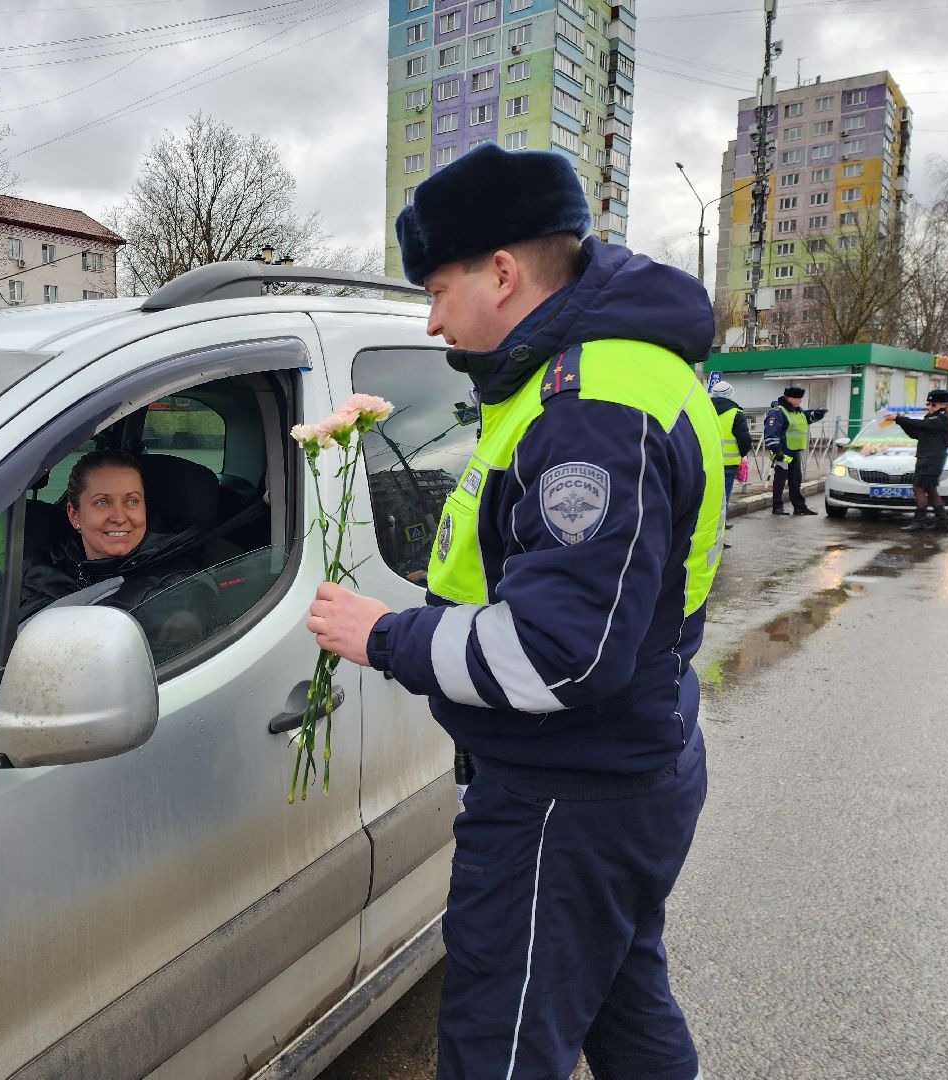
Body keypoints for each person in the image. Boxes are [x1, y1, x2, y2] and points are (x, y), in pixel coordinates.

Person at [305, 143, 719, 1080]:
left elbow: (557, 655)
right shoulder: (583, 375)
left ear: (501, 271)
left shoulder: (591, 410)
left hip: (566, 798)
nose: (430, 317)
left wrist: (382, 636)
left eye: (437, 289)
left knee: (499, 1047)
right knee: (623, 1004)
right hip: (622, 768)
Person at [19, 449, 205, 633]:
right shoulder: (44, 560)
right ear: (74, 514)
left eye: (132, 501)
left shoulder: (172, 593)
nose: (119, 517)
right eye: (102, 502)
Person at [886, 389, 948, 532]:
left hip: (931, 459)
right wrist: (901, 423)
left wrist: (898, 418)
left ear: (943, 404)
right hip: (927, 458)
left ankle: (920, 521)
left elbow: (923, 426)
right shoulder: (931, 417)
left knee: (918, 488)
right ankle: (942, 523)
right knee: (931, 490)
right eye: (928, 404)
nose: (929, 406)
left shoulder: (942, 418)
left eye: (933, 404)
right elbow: (917, 434)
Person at [764, 386, 827, 516]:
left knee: (795, 480)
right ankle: (777, 507)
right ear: (790, 398)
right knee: (780, 480)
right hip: (783, 452)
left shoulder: (797, 412)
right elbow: (771, 433)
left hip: (794, 452)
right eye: (798, 399)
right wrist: (777, 451)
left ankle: (799, 507)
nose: (800, 401)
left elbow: (807, 418)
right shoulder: (778, 412)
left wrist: (818, 414)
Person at [709, 380, 752, 547]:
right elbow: (745, 440)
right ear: (730, 395)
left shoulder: (705, 408)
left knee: (707, 500)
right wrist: (742, 455)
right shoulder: (736, 413)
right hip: (727, 464)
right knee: (722, 501)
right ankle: (718, 539)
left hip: (707, 462)